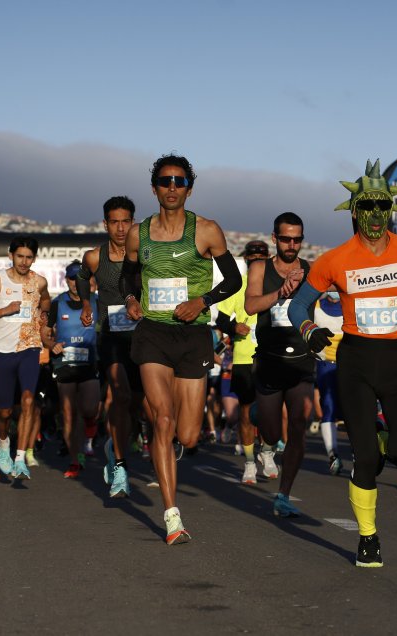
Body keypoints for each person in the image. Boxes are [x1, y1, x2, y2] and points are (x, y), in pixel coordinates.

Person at [287, 159, 397, 567]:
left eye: (383, 206)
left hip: (396, 361)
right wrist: (309, 330)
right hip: (356, 359)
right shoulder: (334, 260)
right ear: (355, 211)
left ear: (391, 210)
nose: (376, 215)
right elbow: (299, 305)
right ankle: (368, 537)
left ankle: (380, 443)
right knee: (364, 457)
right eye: (368, 207)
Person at [119, 154, 242, 544]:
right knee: (164, 422)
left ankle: (158, 430)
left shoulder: (206, 230)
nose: (172, 187)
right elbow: (129, 273)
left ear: (189, 187)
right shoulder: (139, 233)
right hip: (153, 332)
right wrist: (130, 300)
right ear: (153, 186)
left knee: (187, 436)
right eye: (165, 180)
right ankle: (172, 516)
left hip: (192, 336)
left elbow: (234, 279)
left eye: (179, 181)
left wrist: (201, 302)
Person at [244, 212, 314, 517]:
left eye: (297, 239)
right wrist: (280, 293)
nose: (292, 244)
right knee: (271, 433)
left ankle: (283, 494)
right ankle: (261, 418)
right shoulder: (260, 267)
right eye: (286, 238)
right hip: (270, 361)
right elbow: (250, 305)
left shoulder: (311, 271)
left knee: (299, 424)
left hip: (301, 361)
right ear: (275, 239)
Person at [0, 236, 51, 480]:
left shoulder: (39, 281)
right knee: (4, 412)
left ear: (34, 258)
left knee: (28, 400)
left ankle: (19, 458)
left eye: (29, 257)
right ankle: (4, 443)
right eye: (20, 256)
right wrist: (5, 310)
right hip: (2, 351)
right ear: (11, 255)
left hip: (29, 347)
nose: (24, 262)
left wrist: (44, 312)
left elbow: (46, 298)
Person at [77, 195, 140, 497]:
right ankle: (120, 464)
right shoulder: (94, 256)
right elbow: (81, 277)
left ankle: (113, 443)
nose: (119, 228)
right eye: (114, 221)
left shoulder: (144, 254)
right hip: (111, 335)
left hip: (142, 336)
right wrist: (87, 303)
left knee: (139, 405)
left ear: (133, 223)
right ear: (105, 223)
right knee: (120, 393)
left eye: (125, 221)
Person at [215, 239, 270, 485]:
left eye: (261, 256)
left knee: (270, 410)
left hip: (270, 356)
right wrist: (233, 326)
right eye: (252, 257)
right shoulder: (237, 286)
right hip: (243, 356)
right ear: (246, 259)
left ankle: (267, 451)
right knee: (247, 412)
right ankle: (249, 463)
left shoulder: (275, 283)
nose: (256, 259)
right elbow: (221, 318)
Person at [44, 260, 100, 479]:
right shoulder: (58, 304)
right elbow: (45, 332)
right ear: (65, 280)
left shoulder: (97, 301)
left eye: (80, 279)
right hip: (64, 363)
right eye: (71, 278)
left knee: (89, 410)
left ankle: (89, 429)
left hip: (89, 363)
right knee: (68, 414)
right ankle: (75, 459)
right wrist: (51, 345)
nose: (76, 283)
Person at [313, 287, 345, 476]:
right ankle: (332, 454)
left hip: (347, 366)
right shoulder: (315, 306)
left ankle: (360, 455)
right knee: (328, 407)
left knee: (351, 411)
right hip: (324, 365)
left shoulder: (351, 306)